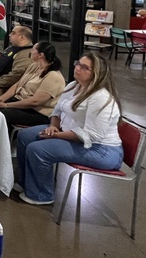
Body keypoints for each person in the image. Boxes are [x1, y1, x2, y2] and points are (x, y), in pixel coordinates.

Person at [16, 53, 123, 205]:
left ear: (97, 74)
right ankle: (25, 182)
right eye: (78, 63)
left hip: (101, 150)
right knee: (25, 136)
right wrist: (53, 126)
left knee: (39, 149)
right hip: (70, 134)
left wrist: (57, 136)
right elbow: (57, 110)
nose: (78, 68)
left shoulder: (100, 98)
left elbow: (91, 135)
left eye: (84, 67)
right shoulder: (74, 86)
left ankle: (41, 195)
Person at [0, 42, 65, 132]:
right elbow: (18, 84)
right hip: (20, 102)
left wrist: (7, 105)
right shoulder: (34, 66)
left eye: (33, 49)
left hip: (37, 112)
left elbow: (35, 101)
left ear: (40, 55)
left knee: (3, 113)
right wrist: (2, 98)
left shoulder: (53, 76)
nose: (30, 51)